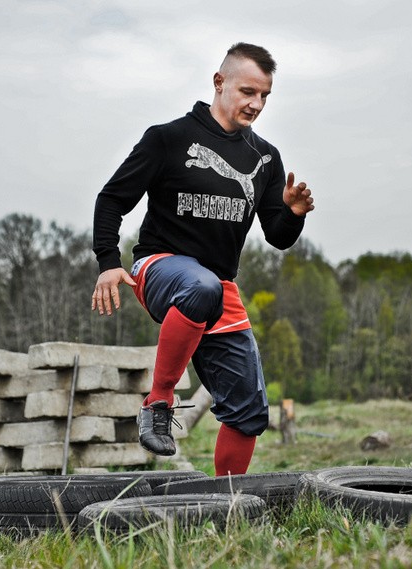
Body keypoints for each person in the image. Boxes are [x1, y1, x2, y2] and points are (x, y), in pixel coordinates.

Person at [91, 42, 314, 476]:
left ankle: (226, 509)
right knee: (201, 286)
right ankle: (158, 402)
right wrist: (107, 261)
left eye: (265, 95)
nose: (256, 104)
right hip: (159, 269)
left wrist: (292, 214)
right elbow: (111, 199)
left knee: (249, 412)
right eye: (248, 91)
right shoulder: (168, 139)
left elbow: (278, 237)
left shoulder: (265, 158)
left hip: (218, 289)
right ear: (219, 82)